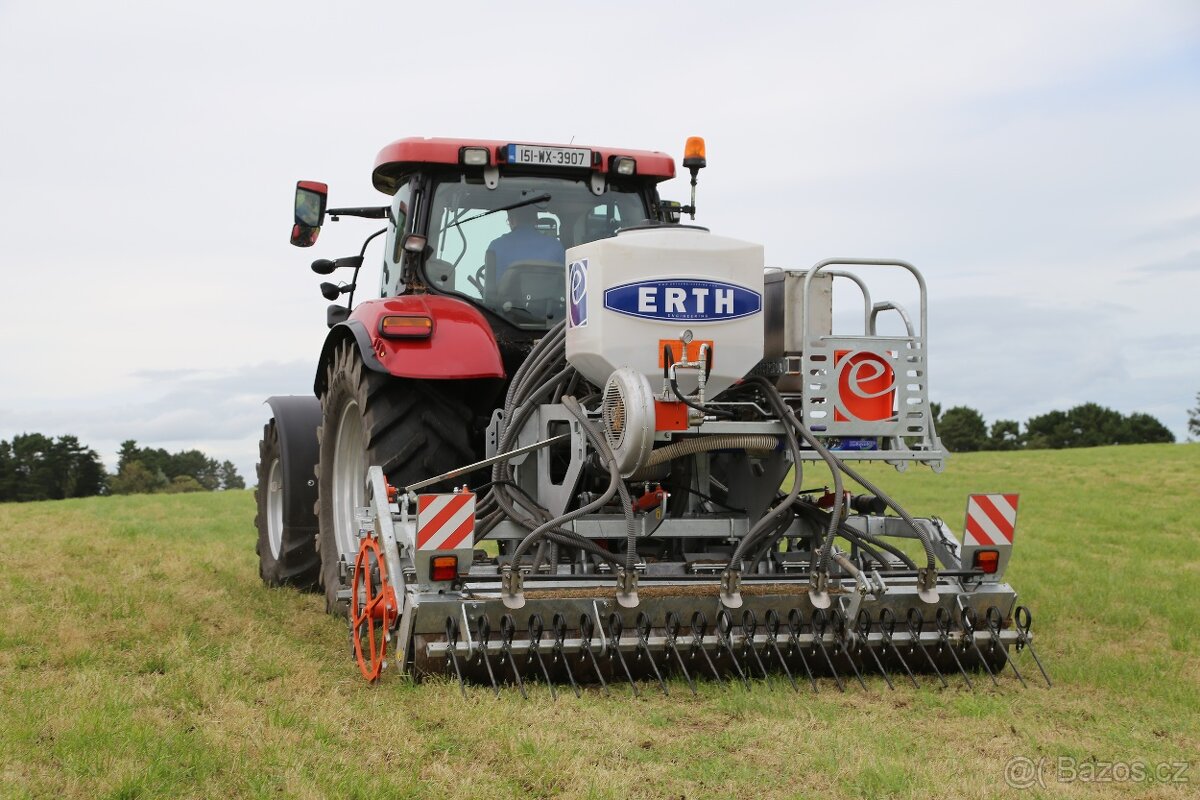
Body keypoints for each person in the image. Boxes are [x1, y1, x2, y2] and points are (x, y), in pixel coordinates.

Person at [486, 204, 565, 281]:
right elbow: (565, 280)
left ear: (511, 220)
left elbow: (491, 285)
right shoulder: (556, 246)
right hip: (549, 290)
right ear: (536, 220)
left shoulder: (495, 247)